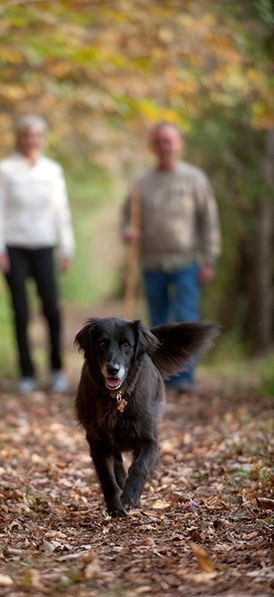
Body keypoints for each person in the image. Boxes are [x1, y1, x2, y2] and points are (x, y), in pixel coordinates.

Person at [121, 121, 221, 394]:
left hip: (187, 262)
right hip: (152, 262)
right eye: (160, 141)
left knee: (186, 317)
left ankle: (185, 379)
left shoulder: (194, 179)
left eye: (170, 141)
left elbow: (208, 221)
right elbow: (127, 218)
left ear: (179, 145)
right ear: (153, 146)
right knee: (158, 323)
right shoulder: (141, 183)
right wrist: (128, 231)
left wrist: (209, 257)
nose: (165, 146)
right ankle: (160, 378)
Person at [0, 114, 75, 395]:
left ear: (42, 139)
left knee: (52, 309)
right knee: (21, 311)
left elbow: (61, 211)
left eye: (36, 136)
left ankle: (57, 369)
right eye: (26, 135)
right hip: (14, 246)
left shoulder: (52, 170)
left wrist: (67, 247)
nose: (31, 141)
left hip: (44, 245)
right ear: (19, 138)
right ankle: (26, 372)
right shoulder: (6, 168)